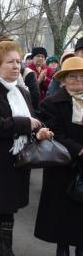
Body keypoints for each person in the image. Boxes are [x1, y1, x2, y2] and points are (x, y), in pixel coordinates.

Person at [0, 40, 53, 256]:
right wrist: (27, 124)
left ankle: (6, 251)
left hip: (15, 161)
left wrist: (38, 132)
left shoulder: (21, 92)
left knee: (8, 209)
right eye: (10, 62)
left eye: (18, 62)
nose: (17, 66)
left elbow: (32, 119)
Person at [34, 57, 83, 256]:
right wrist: (79, 150)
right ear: (63, 80)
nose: (78, 80)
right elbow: (55, 133)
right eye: (73, 76)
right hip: (61, 166)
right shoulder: (52, 102)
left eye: (82, 76)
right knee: (61, 222)